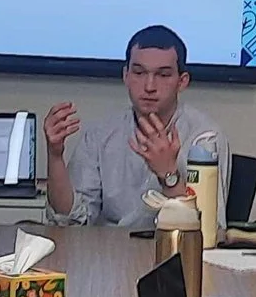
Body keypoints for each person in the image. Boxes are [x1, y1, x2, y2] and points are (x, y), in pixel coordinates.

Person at [42, 24, 227, 229]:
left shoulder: (205, 139)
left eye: (163, 75)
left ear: (182, 82)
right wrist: (55, 156)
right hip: (107, 255)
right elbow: (70, 222)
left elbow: (209, 230)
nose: (149, 86)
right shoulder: (100, 135)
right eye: (139, 73)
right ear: (126, 76)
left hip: (174, 254)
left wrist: (169, 176)